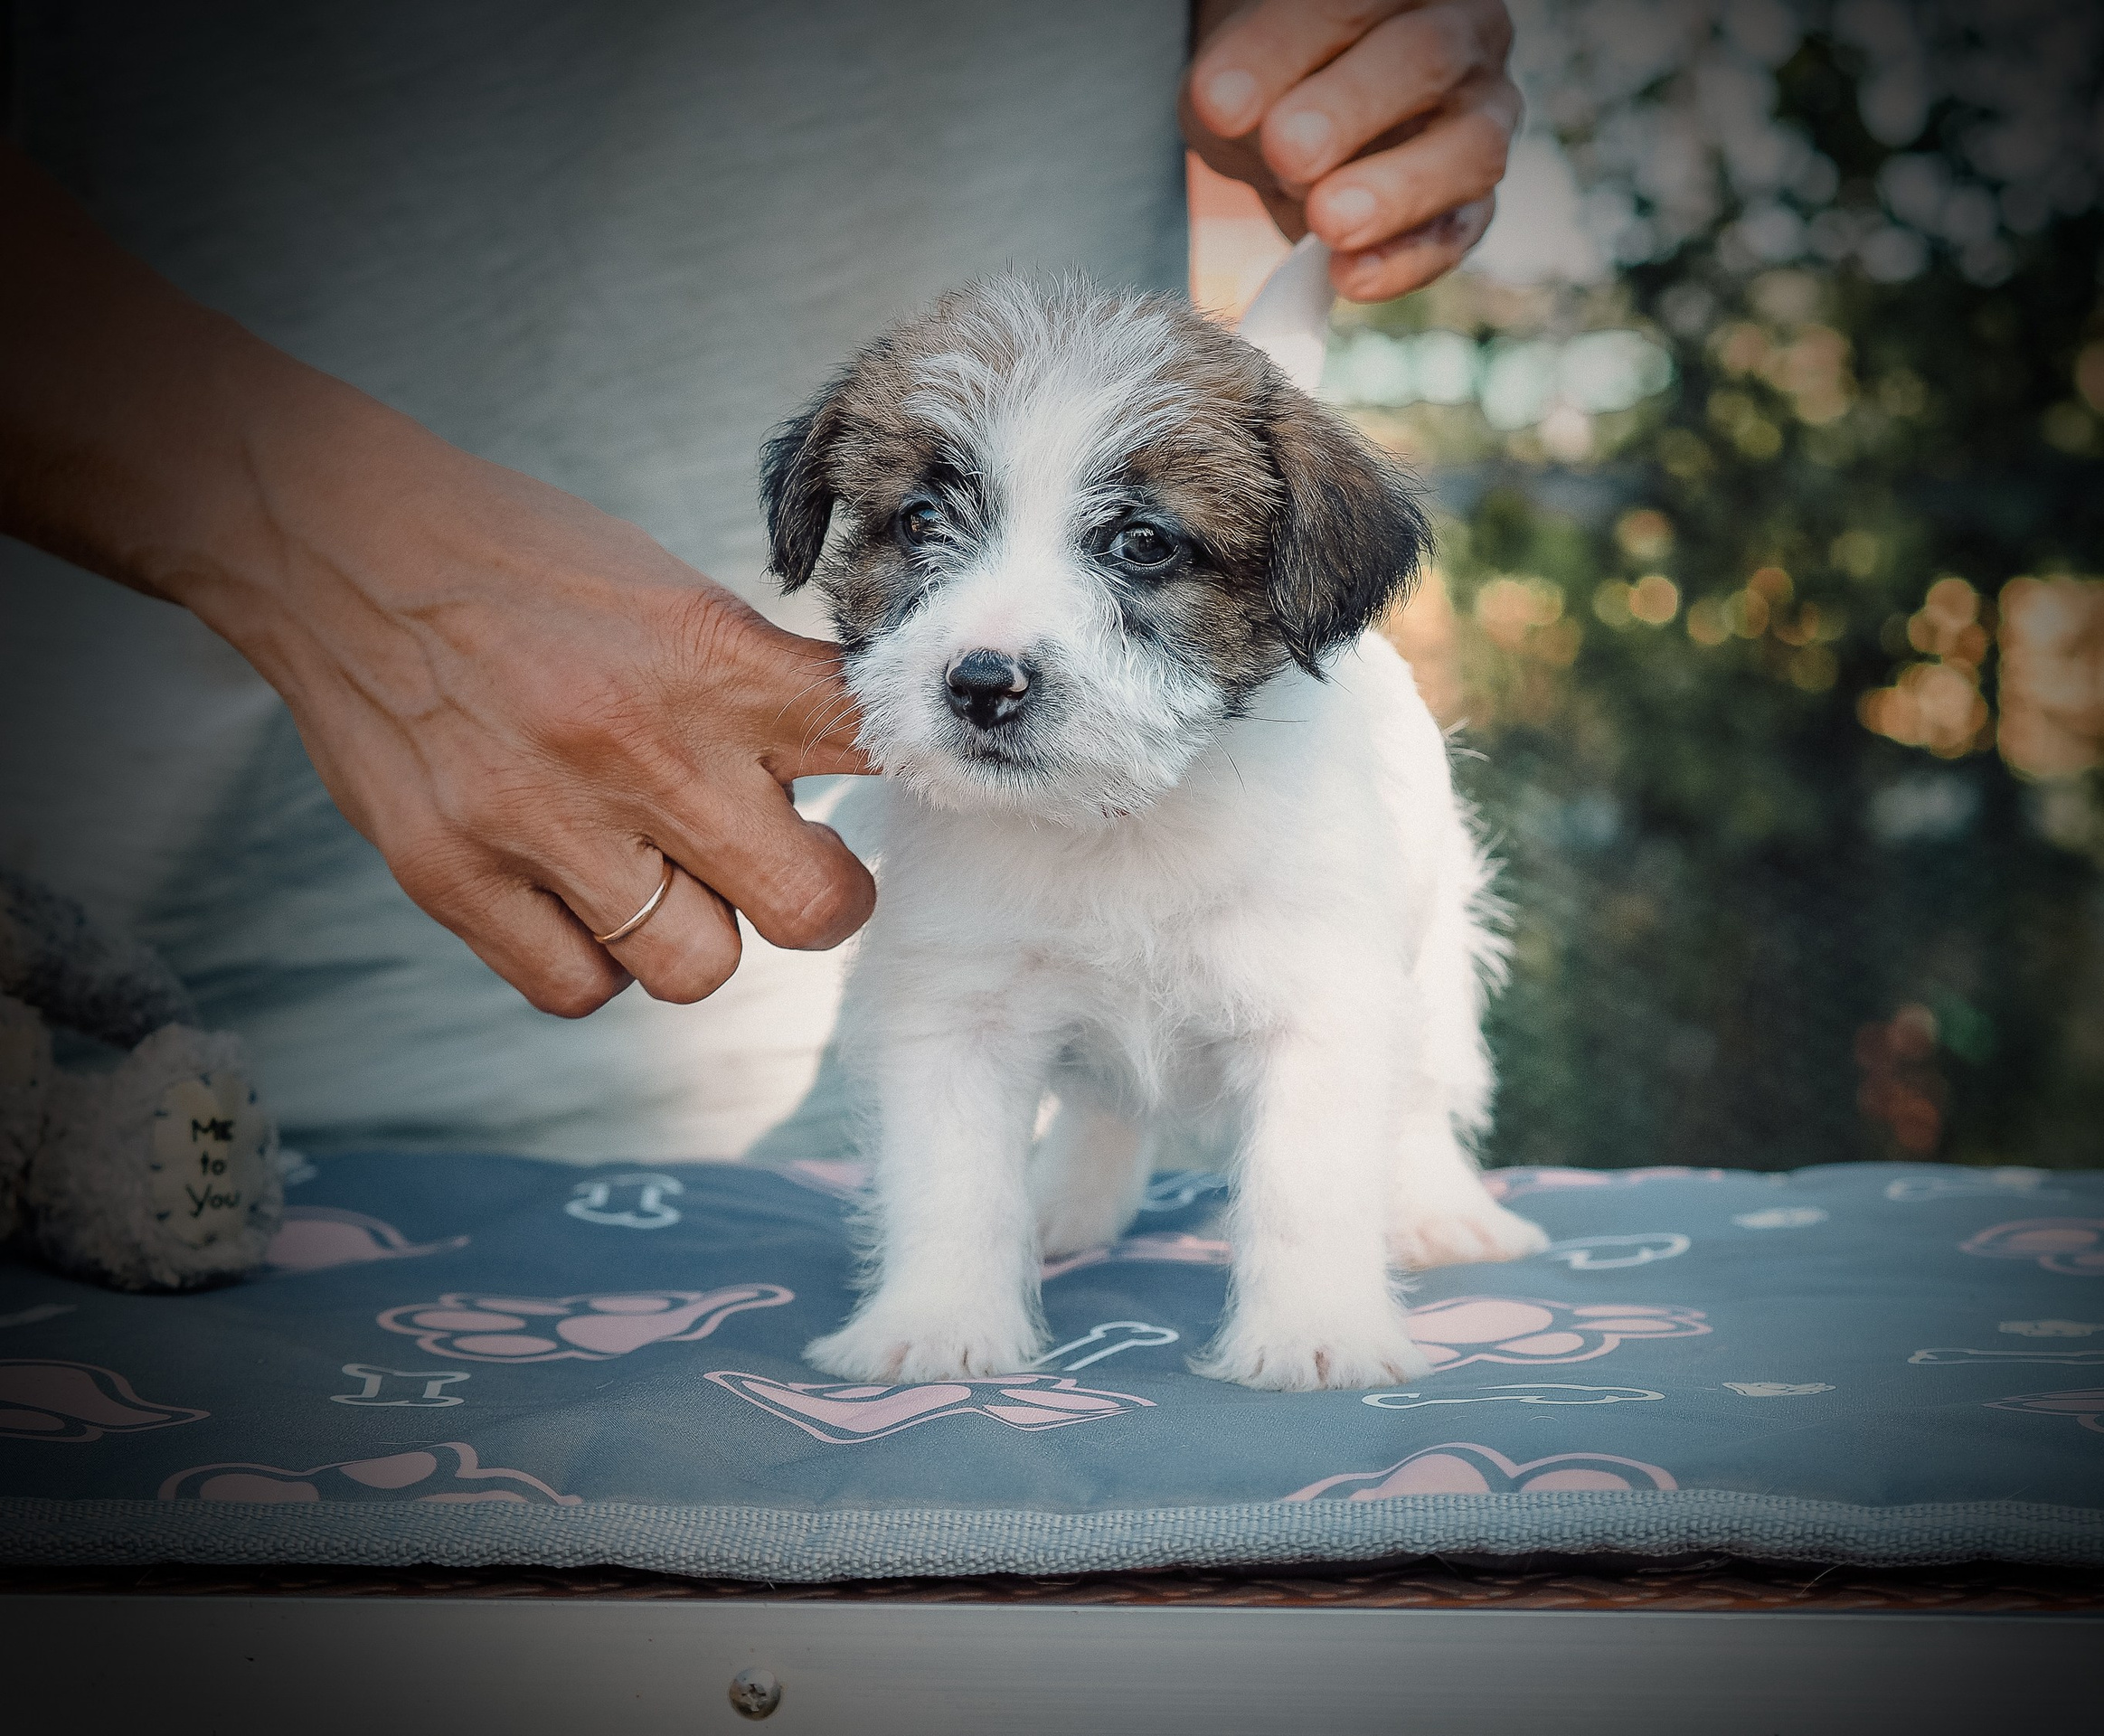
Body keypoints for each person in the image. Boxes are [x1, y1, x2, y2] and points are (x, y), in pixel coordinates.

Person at [0, 0, 1517, 1160]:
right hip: (113, 1006)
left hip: (939, 1034)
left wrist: (1361, 75)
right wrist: (286, 529)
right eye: (923, 525)